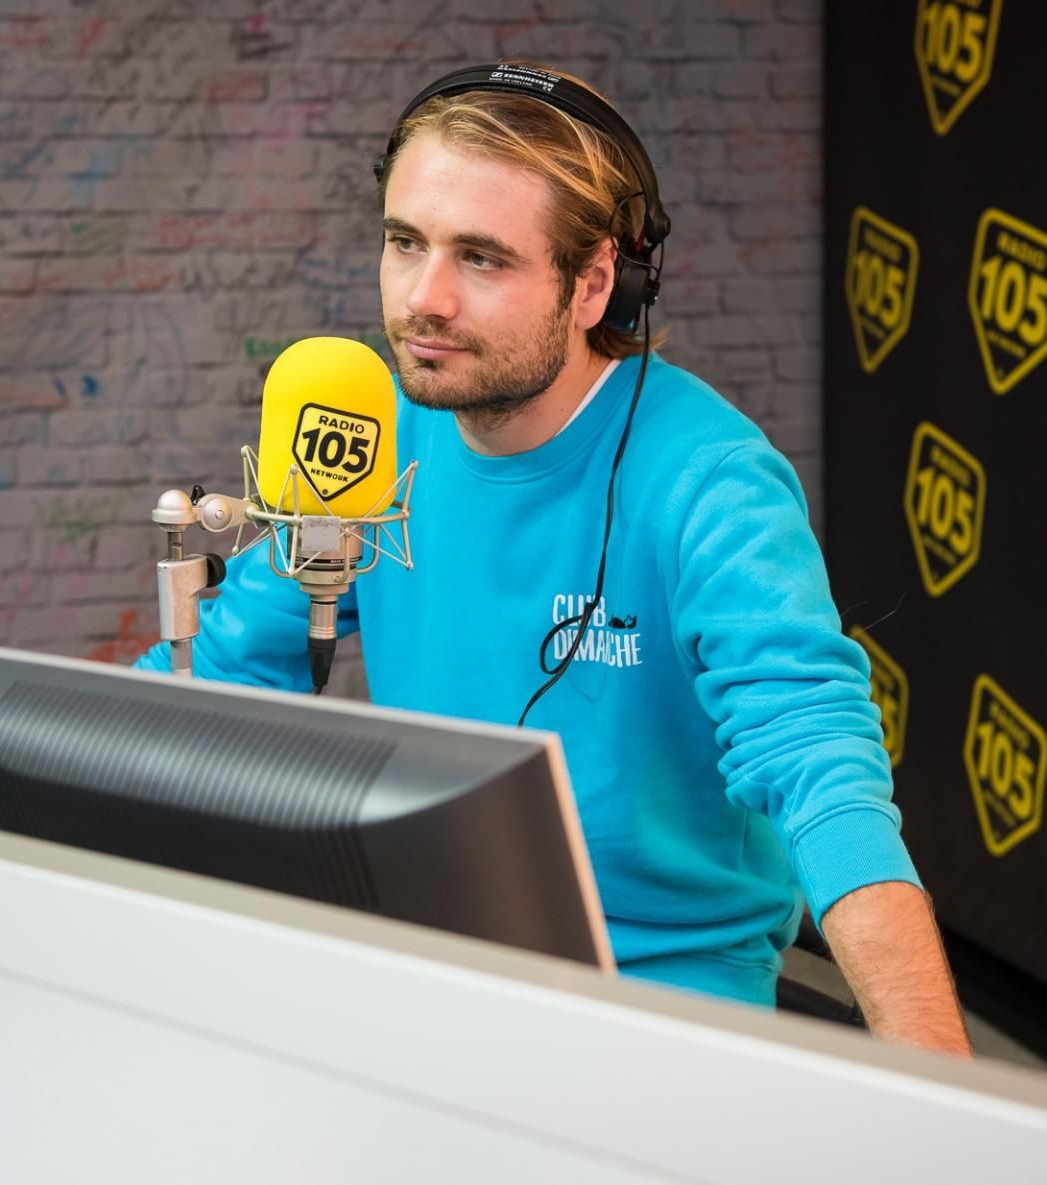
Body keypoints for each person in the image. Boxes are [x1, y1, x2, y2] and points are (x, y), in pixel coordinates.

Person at [135, 62, 971, 1056]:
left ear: (596, 284)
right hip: (427, 963)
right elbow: (218, 679)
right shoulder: (370, 438)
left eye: (482, 258)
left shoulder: (712, 481)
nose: (425, 299)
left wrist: (947, 1091)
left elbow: (819, 773)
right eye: (405, 242)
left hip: (660, 998)